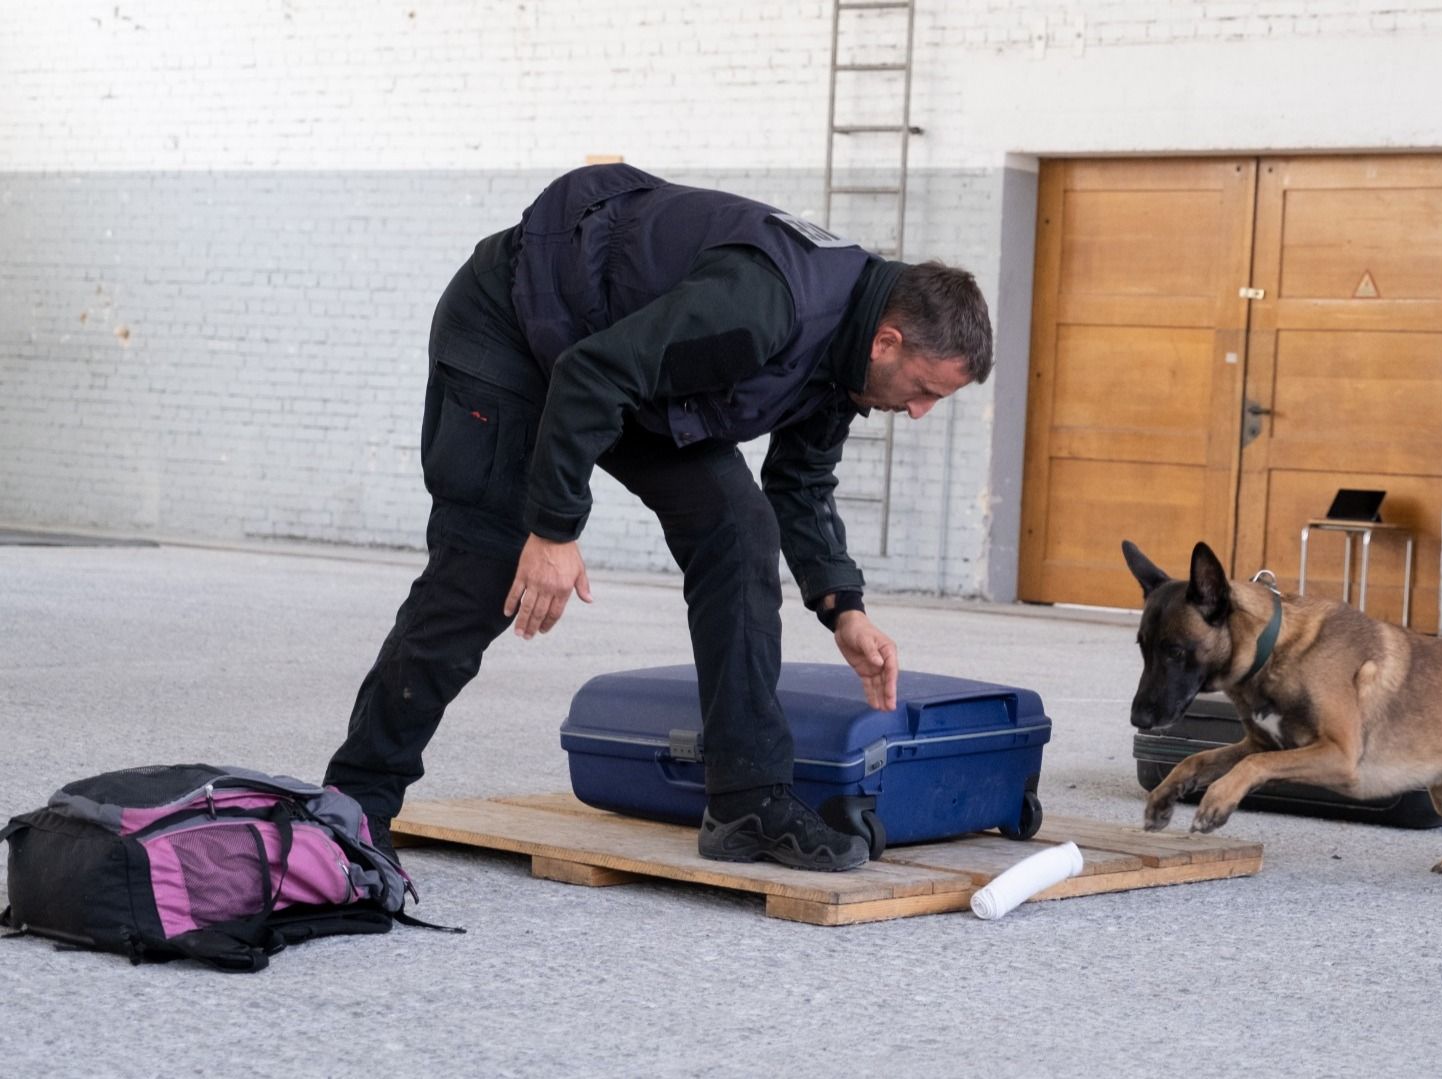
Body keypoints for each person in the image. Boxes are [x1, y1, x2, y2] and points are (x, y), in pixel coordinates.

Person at [324, 163, 993, 872]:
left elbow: (799, 481)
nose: (918, 412)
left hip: (618, 363)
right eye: (924, 390)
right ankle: (355, 806)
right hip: (515, 326)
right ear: (888, 341)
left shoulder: (848, 354)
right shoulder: (764, 308)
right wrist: (553, 529)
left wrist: (844, 609)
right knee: (483, 566)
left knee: (737, 528)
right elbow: (590, 376)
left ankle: (747, 802)